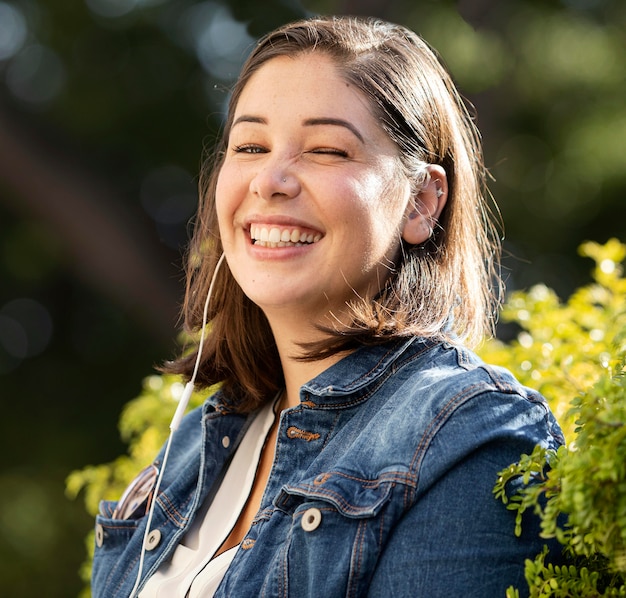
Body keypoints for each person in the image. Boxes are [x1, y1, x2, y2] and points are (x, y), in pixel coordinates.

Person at [91, 15, 564, 598]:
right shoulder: (193, 445)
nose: (270, 180)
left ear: (421, 202)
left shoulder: (472, 437)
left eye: (326, 150)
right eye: (250, 145)